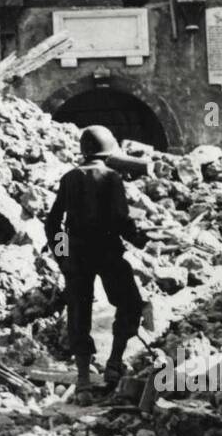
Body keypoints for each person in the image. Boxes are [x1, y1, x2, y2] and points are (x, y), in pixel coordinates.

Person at [44, 125, 147, 397]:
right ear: (108, 151)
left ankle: (83, 380)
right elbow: (121, 219)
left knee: (79, 312)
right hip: (108, 251)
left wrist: (62, 255)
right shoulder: (112, 177)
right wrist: (138, 237)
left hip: (77, 254)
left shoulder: (69, 178)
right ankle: (114, 363)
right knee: (130, 303)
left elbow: (53, 222)